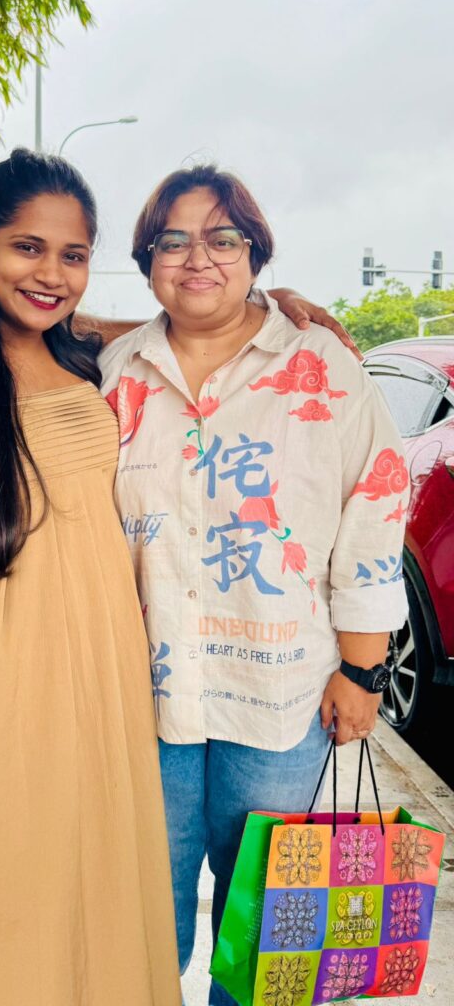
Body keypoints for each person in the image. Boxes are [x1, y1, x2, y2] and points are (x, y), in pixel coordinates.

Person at [99, 164, 409, 1005]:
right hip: (144, 696)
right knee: (140, 912)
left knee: (269, 927)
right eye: (173, 241)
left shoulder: (323, 366)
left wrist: (363, 669)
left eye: (222, 238)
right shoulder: (119, 372)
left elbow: (375, 507)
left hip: (281, 699)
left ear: (255, 253)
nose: (197, 257)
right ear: (147, 259)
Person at [0, 149, 183, 1005]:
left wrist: (270, 302)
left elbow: (151, 326)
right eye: (27, 248)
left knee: (75, 900)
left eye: (73, 256)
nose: (51, 274)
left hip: (92, 684)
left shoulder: (79, 355)